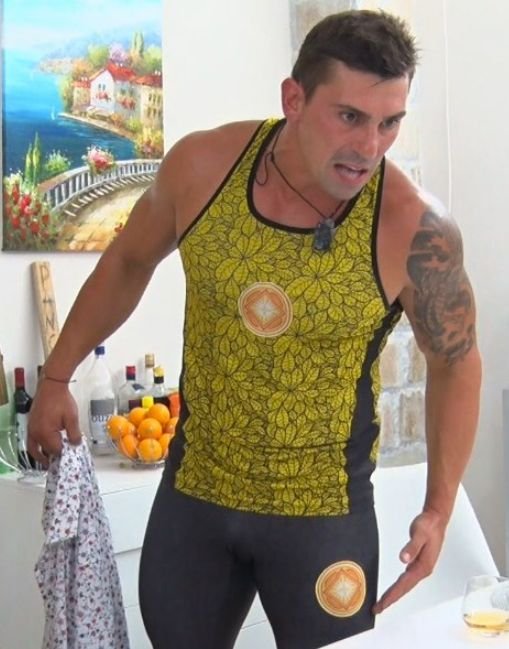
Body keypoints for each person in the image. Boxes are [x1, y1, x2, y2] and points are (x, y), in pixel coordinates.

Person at [28, 9, 482, 649]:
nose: (369, 147)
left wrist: (439, 507)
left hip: (322, 515)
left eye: (389, 122)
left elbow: (456, 361)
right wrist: (56, 376)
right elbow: (129, 261)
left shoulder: (412, 226)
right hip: (198, 496)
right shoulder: (203, 168)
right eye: (349, 116)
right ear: (293, 99)